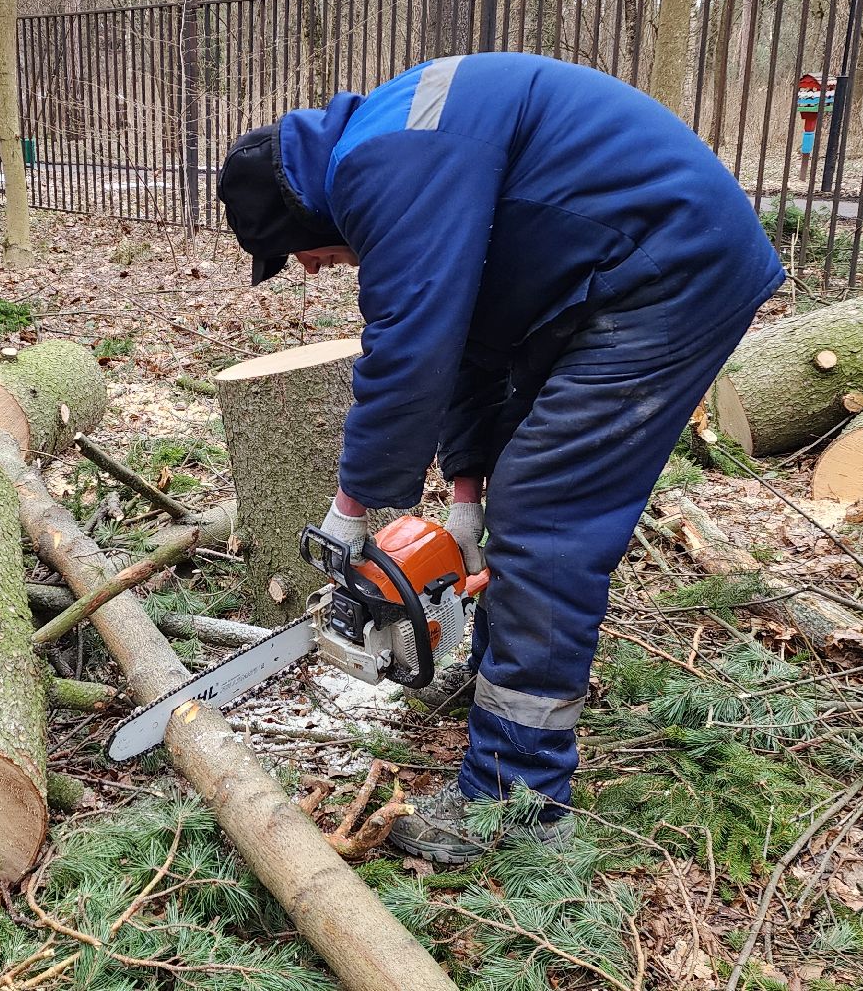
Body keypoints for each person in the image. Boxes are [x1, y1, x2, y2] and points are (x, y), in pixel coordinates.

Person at [216, 52, 784, 864]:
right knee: (519, 496)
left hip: (667, 268)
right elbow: (469, 342)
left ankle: (518, 794)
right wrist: (468, 492)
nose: (308, 268)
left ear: (299, 217)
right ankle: (503, 689)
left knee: (549, 517)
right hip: (603, 273)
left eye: (295, 255)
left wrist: (350, 512)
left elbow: (410, 351)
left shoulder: (384, 161)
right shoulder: (391, 141)